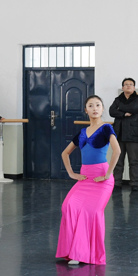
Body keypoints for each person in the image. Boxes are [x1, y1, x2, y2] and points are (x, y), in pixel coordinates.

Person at [56, 95, 121, 266]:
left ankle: (83, 253)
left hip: (102, 179)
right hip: (85, 179)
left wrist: (108, 174)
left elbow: (117, 151)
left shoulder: (106, 128)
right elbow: (65, 153)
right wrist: (71, 173)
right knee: (68, 206)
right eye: (90, 106)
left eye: (98, 105)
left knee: (90, 212)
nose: (94, 108)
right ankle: (72, 251)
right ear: (86, 110)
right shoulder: (82, 132)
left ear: (102, 108)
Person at [109, 78, 138, 191]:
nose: (128, 86)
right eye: (126, 84)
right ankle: (117, 182)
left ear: (134, 87)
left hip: (133, 135)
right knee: (118, 160)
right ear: (122, 87)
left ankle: (134, 183)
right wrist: (123, 114)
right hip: (118, 134)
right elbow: (111, 111)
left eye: (131, 84)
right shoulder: (118, 99)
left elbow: (133, 108)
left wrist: (119, 109)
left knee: (133, 161)